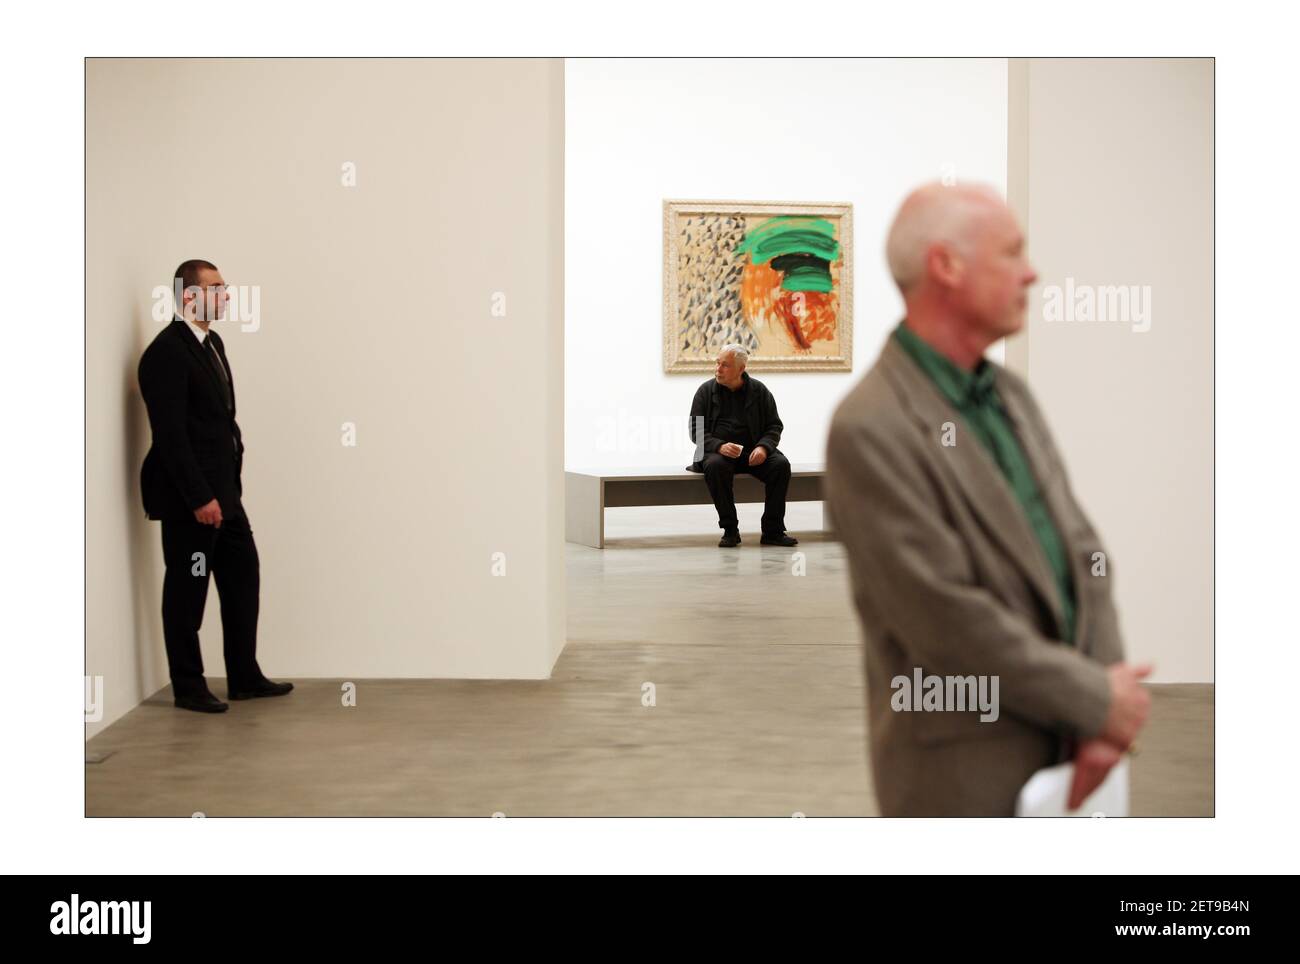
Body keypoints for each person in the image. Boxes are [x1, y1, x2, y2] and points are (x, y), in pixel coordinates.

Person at [825, 183, 1151, 815]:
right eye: (1012, 253)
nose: (1031, 272)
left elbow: (1083, 553)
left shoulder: (1010, 395)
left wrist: (1102, 715)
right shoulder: (870, 427)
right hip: (968, 773)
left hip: (1071, 746)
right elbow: (946, 621)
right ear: (947, 266)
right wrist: (1094, 700)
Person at [137, 259, 293, 713]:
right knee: (188, 591)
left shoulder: (212, 343)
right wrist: (199, 497)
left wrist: (229, 488)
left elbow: (219, 420)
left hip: (227, 496)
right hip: (192, 501)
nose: (226, 296)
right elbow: (170, 436)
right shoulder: (166, 352)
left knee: (243, 578)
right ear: (190, 296)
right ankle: (188, 686)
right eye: (217, 288)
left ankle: (244, 677)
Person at [688, 344, 797, 547]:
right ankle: (730, 530)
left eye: (725, 365)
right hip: (717, 453)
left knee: (780, 465)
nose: (718, 369)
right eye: (718, 363)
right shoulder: (704, 392)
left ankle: (773, 531)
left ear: (741, 369)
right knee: (715, 466)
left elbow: (774, 425)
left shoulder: (759, 391)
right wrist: (719, 445)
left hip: (752, 452)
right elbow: (696, 430)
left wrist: (764, 447)